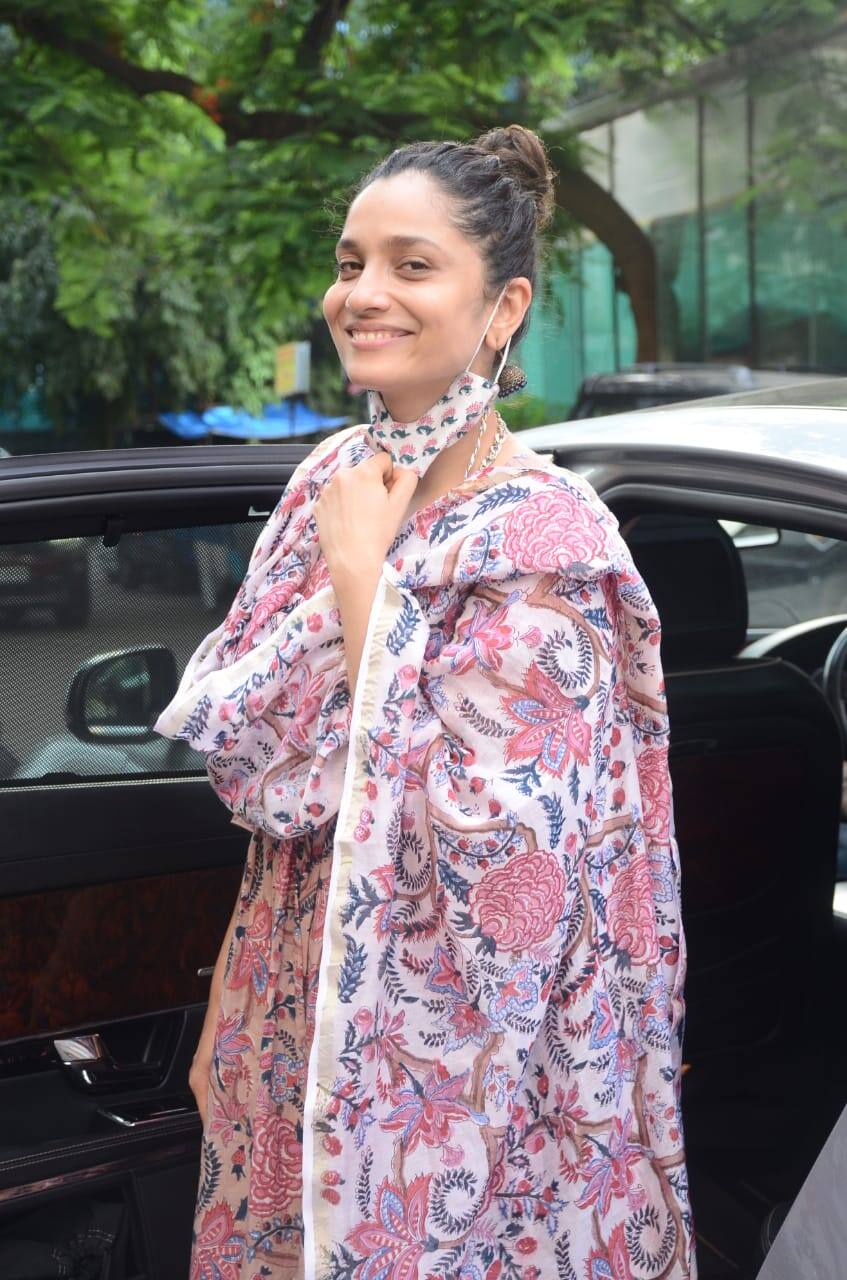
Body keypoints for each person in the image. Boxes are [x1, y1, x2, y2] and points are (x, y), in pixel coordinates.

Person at [154, 124, 696, 1280]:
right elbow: (287, 799)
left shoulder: (547, 540)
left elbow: (512, 873)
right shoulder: (327, 485)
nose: (362, 293)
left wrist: (368, 584)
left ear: (501, 308)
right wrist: (225, 1012)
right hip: (298, 997)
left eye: (411, 264)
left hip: (472, 1060)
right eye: (352, 263)